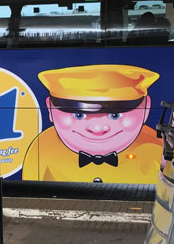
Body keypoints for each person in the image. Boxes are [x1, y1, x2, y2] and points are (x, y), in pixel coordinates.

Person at [21, 64, 163, 184]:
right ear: (50, 109)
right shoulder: (42, 149)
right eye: (79, 114)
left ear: (146, 107)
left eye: (115, 115)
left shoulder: (156, 149)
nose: (97, 128)